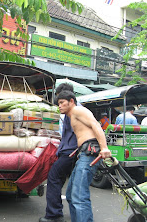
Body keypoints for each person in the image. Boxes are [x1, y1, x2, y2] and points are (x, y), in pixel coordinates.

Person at [57, 90, 111, 222]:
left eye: (62, 102)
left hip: (89, 153)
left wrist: (104, 147)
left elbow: (95, 125)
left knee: (79, 196)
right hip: (83, 154)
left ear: (71, 101)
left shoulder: (78, 110)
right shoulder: (71, 117)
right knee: (70, 195)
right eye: (58, 104)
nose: (59, 106)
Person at [39, 83, 78, 222]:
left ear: (69, 99)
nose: (59, 104)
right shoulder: (70, 112)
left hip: (70, 152)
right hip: (70, 152)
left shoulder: (76, 112)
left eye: (61, 101)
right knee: (68, 183)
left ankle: (54, 214)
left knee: (54, 177)